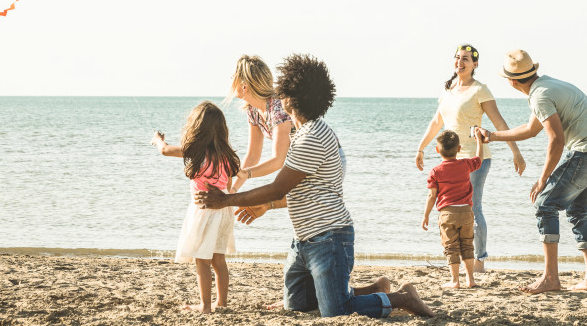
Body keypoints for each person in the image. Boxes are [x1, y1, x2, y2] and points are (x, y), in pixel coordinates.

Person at [197, 54, 434, 318]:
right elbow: (285, 183)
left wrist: (228, 199)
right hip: (305, 240)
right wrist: (244, 185)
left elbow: (278, 184)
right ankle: (373, 288)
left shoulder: (308, 136)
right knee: (297, 305)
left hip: (328, 236)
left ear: (289, 100)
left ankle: (402, 298)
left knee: (335, 310)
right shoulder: (294, 128)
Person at [475, 49, 587, 294]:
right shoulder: (545, 87)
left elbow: (556, 140)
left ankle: (551, 278)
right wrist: (493, 136)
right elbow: (532, 129)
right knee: (578, 209)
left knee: (545, 204)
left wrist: (543, 179)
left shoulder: (539, 95)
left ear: (511, 81)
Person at [415, 43, 526, 272]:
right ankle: (458, 258)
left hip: (475, 160)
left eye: (466, 58)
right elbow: (436, 122)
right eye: (457, 57)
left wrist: (515, 151)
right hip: (450, 162)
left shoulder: (480, 90)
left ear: (475, 64)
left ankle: (479, 261)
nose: (460, 62)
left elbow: (499, 123)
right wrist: (421, 148)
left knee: (473, 208)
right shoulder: (447, 90)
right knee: (450, 209)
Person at [151, 101, 240, 313]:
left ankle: (206, 306)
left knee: (202, 259)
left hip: (204, 211)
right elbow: (227, 186)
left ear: (197, 129)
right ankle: (222, 303)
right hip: (224, 211)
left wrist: (157, 140)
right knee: (219, 259)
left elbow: (164, 151)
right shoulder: (226, 156)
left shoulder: (196, 152)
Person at [422, 130, 485, 289]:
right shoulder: (465, 165)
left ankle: (455, 280)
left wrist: (426, 215)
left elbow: (431, 196)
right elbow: (479, 159)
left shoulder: (435, 171)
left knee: (451, 247)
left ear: (437, 150)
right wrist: (479, 141)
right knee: (467, 245)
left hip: (447, 214)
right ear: (459, 148)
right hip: (465, 212)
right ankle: (470, 279)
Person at [227, 55, 293, 195]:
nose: (231, 78)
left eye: (234, 77)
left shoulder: (277, 108)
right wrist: (232, 189)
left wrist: (247, 174)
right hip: (304, 161)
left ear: (244, 86)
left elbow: (278, 161)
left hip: (324, 157)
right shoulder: (253, 110)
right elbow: (252, 155)